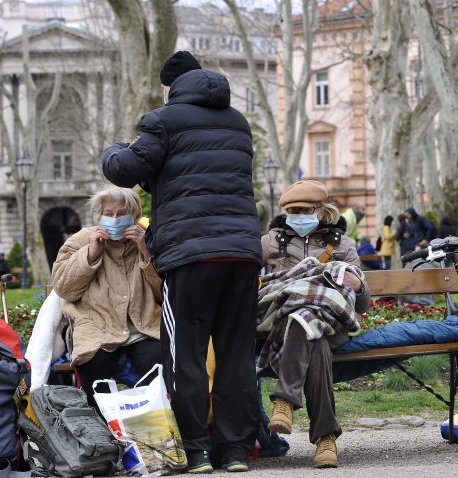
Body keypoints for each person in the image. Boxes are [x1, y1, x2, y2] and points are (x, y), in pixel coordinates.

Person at [100, 51, 262, 473]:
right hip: (243, 253)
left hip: (191, 255)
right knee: (237, 355)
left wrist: (114, 148)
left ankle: (196, 450)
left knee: (185, 355)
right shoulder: (238, 122)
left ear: (169, 86)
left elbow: (124, 169)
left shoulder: (162, 120)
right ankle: (237, 452)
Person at [261, 180, 370, 469]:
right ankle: (326, 439)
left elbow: (362, 303)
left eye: (304, 210)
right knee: (310, 332)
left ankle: (285, 401)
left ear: (321, 211)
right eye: (291, 210)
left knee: (309, 322)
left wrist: (358, 285)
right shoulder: (270, 241)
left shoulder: (342, 244)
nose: (297, 215)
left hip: (334, 323)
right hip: (283, 325)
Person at [51, 187, 162, 410]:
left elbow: (164, 292)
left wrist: (145, 252)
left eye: (121, 214)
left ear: (135, 215)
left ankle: (155, 430)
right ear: (99, 215)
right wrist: (90, 253)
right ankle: (102, 435)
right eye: (108, 214)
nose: (114, 219)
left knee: (159, 363)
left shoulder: (150, 238)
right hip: (97, 328)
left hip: (144, 328)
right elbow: (64, 288)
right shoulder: (81, 240)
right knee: (94, 365)